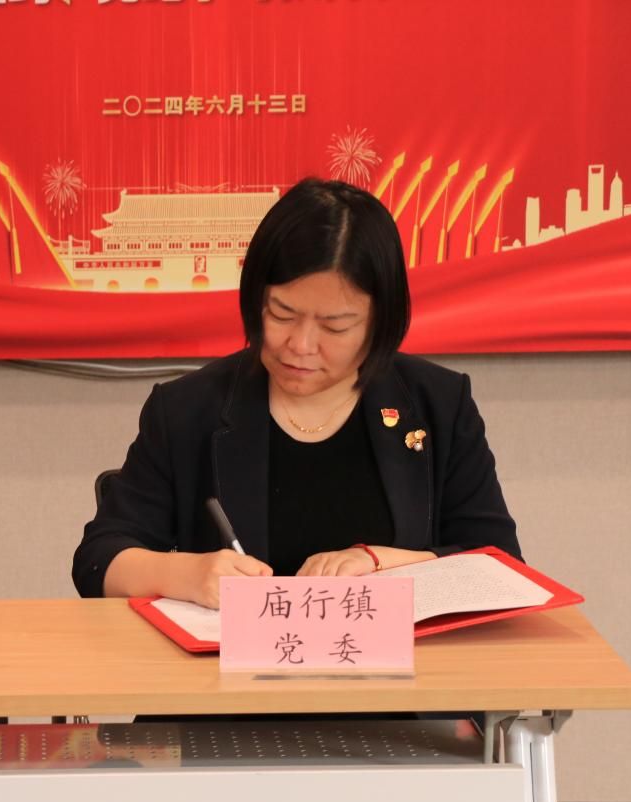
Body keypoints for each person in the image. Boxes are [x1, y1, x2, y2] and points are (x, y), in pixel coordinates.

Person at [73, 178, 520, 608]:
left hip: (402, 660)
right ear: (256, 300)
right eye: (282, 314)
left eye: (335, 326)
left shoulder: (437, 404)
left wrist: (385, 562)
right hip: (236, 660)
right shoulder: (189, 409)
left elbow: (502, 567)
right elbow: (97, 560)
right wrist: (188, 574)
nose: (301, 345)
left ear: (379, 322)